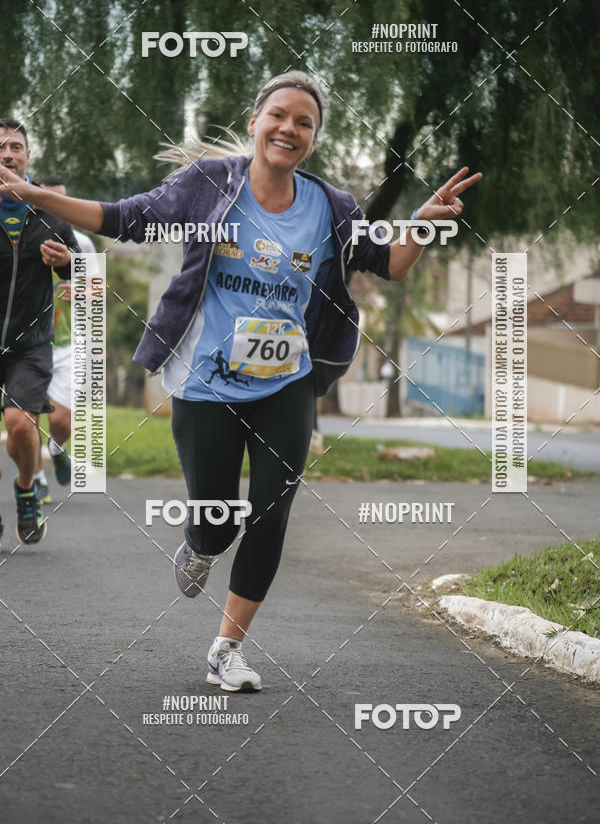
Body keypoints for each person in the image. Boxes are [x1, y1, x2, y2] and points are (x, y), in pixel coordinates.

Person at [0, 73, 481, 690]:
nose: (289, 128)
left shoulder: (332, 207)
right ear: (256, 123)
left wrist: (422, 224)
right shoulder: (207, 186)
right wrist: (36, 196)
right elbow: (122, 219)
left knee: (272, 512)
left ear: (313, 140)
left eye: (304, 122)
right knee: (218, 521)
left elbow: (388, 263)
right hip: (205, 383)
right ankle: (202, 543)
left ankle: (227, 649)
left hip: (287, 382)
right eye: (278, 115)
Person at [0, 120, 80, 548]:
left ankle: (26, 489)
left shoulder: (51, 213)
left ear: (28, 156)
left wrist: (67, 262)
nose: (8, 154)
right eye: (0, 147)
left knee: (20, 425)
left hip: (30, 344)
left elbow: (80, 273)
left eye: (16, 146)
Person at [32, 176, 100, 503]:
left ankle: (57, 448)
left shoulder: (81, 244)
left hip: (67, 343)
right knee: (25, 418)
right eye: (50, 200)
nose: (58, 208)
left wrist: (83, 291)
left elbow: (98, 289)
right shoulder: (21, 235)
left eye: (63, 201)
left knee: (61, 421)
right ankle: (35, 481)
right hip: (28, 343)